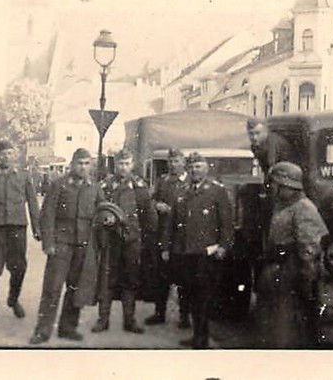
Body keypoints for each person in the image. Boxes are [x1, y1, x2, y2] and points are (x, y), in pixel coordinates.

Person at [29, 148, 106, 344]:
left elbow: (103, 210)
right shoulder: (59, 185)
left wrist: (108, 219)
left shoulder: (95, 188)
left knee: (75, 288)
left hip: (83, 245)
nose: (83, 167)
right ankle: (42, 330)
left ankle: (68, 328)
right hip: (61, 245)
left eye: (87, 164)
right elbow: (47, 214)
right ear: (72, 165)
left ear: (91, 166)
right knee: (52, 288)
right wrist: (48, 243)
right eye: (80, 163)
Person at [163, 152, 234, 349]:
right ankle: (197, 336)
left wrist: (224, 246)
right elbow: (171, 223)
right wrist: (166, 247)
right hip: (185, 253)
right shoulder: (182, 191)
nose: (195, 170)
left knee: (203, 297)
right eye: (192, 167)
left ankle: (203, 338)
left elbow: (227, 223)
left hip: (205, 254)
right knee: (190, 296)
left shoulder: (217, 191)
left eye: (199, 166)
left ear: (206, 168)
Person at [255, 161, 328, 348]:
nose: (273, 188)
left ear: (287, 185)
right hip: (278, 271)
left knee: (286, 330)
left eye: (276, 184)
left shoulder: (303, 208)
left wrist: (306, 278)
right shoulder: (283, 206)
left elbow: (309, 247)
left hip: (291, 272)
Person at [0, 139, 41, 323]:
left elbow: (32, 202)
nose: (6, 157)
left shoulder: (24, 176)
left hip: (17, 227)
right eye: (3, 154)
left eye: (10, 153)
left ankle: (13, 299)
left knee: (19, 268)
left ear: (15, 155)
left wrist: (37, 227)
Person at [92, 148, 157, 334]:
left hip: (132, 242)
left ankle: (129, 320)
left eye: (127, 163)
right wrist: (105, 219)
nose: (123, 167)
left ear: (132, 165)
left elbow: (149, 216)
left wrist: (145, 240)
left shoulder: (139, 187)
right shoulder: (105, 186)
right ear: (115, 165)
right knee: (107, 280)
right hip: (110, 241)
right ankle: (103, 320)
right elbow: (97, 209)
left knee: (130, 280)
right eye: (120, 163)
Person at [145, 148, 190, 328]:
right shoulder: (162, 182)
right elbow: (151, 200)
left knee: (184, 278)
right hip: (163, 235)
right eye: (171, 161)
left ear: (183, 162)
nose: (173, 164)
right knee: (161, 277)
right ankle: (159, 313)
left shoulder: (189, 182)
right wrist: (157, 205)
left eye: (177, 161)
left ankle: (185, 316)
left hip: (183, 237)